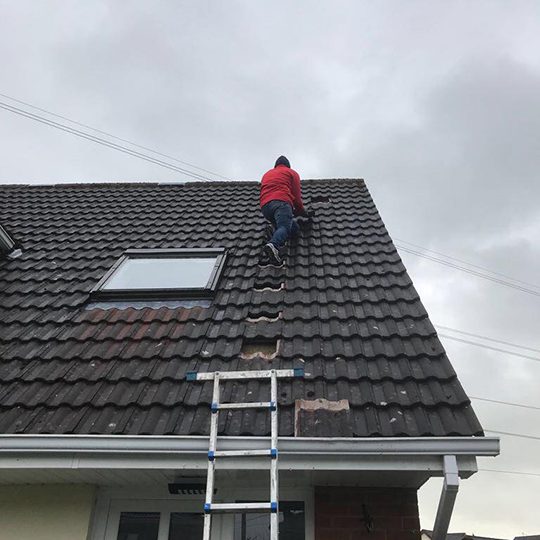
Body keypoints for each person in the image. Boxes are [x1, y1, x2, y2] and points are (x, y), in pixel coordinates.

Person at [259, 155, 307, 265]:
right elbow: (296, 196)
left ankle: (274, 232)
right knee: (284, 227)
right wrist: (302, 211)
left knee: (293, 228)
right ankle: (274, 245)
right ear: (288, 166)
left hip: (265, 206)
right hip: (281, 202)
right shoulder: (291, 173)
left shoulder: (267, 174)